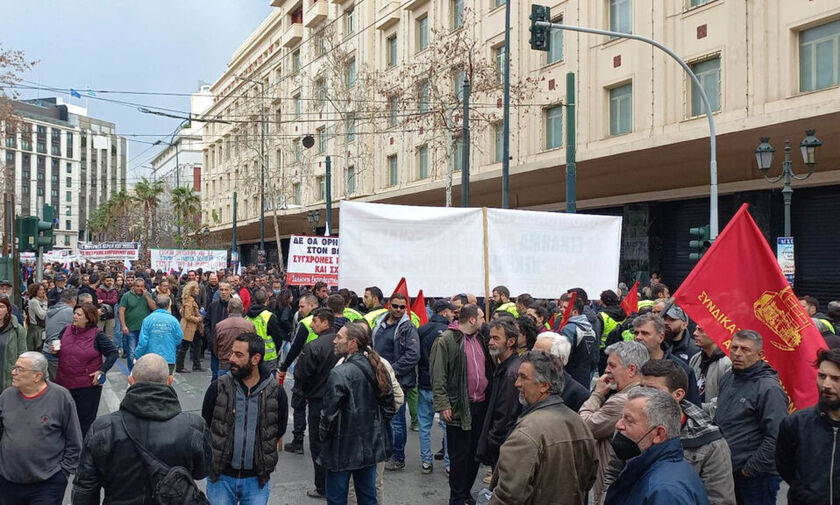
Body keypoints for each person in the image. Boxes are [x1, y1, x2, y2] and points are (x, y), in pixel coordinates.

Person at [72, 354, 212, 505]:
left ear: (131, 382)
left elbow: (85, 489)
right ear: (170, 381)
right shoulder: (193, 427)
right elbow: (201, 472)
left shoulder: (104, 428)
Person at [489, 351, 597, 505]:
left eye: (523, 377)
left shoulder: (526, 433)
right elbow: (589, 479)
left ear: (544, 386)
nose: (517, 383)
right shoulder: (580, 423)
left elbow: (508, 496)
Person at [202, 332, 287, 505]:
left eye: (239, 355)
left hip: (256, 480)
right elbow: (205, 425)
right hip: (221, 478)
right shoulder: (218, 388)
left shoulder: (276, 393)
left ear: (255, 359)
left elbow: (279, 429)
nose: (232, 358)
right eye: (233, 352)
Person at [637, 360, 735, 505]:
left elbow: (719, 500)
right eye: (641, 388)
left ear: (678, 394)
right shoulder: (629, 425)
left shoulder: (710, 442)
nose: (643, 396)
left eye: (652, 390)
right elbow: (614, 475)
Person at [318, 322, 393, 505]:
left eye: (339, 337)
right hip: (369, 445)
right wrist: (374, 426)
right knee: (368, 496)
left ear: (352, 343)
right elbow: (389, 406)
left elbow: (328, 416)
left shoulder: (340, 373)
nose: (334, 341)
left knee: (337, 499)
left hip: (341, 447)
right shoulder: (377, 366)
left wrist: (323, 437)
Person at [714, 329, 788, 505]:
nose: (738, 354)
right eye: (734, 348)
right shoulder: (729, 377)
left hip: (755, 477)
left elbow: (777, 436)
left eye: (745, 350)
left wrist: (751, 469)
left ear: (759, 355)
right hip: (728, 470)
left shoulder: (769, 389)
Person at [430, 303, 494, 505]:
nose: (485, 322)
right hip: (459, 407)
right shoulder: (446, 340)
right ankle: (456, 498)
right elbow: (438, 374)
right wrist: (443, 403)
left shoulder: (481, 339)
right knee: (459, 457)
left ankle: (465, 493)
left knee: (475, 454)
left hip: (480, 406)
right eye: (482, 317)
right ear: (473, 319)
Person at [0, 351, 82, 505]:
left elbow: (74, 439)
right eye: (14, 367)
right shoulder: (6, 396)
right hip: (8, 482)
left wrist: (63, 473)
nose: (13, 372)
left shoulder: (61, 397)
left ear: (37, 376)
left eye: (20, 369)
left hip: (47, 484)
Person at [604, 388, 709, 505]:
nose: (618, 425)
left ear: (659, 434)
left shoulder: (665, 492)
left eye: (629, 420)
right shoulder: (649, 468)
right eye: (621, 417)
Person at [579, 340, 649, 505]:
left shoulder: (623, 401)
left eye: (612, 365)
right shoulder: (638, 394)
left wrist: (597, 395)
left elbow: (583, 426)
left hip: (604, 482)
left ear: (631, 369)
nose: (606, 370)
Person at [776, 347, 840, 505]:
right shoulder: (795, 424)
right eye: (822, 376)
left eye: (835, 379)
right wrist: (805, 491)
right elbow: (786, 467)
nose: (826, 384)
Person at [371, 292, 420, 471]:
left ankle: (398, 457)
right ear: (389, 305)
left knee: (397, 421)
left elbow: (413, 355)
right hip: (379, 378)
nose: (399, 310)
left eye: (402, 307)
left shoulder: (407, 328)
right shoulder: (380, 322)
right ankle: (387, 451)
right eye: (396, 306)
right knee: (383, 418)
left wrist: (391, 371)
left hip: (397, 380)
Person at [54, 302, 119, 438]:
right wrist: (54, 351)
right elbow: (60, 349)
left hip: (87, 387)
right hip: (64, 383)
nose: (75, 316)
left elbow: (113, 353)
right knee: (63, 420)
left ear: (88, 318)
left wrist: (102, 370)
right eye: (75, 313)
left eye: (79, 314)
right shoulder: (65, 330)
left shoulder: (97, 335)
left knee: (84, 423)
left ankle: (84, 452)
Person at [294, 308, 339, 500]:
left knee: (318, 443)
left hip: (318, 401)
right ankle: (336, 483)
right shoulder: (341, 344)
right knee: (336, 441)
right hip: (338, 400)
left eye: (315, 321)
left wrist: (300, 392)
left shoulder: (313, 347)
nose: (311, 325)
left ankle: (322, 486)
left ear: (325, 323)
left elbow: (302, 374)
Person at [476, 318, 522, 470]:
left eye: (496, 338)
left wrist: (493, 440)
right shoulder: (505, 366)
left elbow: (504, 412)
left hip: (501, 443)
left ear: (510, 342)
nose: (490, 342)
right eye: (490, 338)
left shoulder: (511, 372)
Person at [279, 293, 320, 453]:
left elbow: (295, 348)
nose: (300, 309)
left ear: (312, 305)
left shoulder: (306, 323)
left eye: (302, 306)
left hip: (305, 369)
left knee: (299, 404)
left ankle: (298, 441)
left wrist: (284, 366)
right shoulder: (329, 319)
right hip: (323, 370)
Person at [417, 299, 455, 474]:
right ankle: (448, 464)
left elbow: (416, 356)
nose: (453, 314)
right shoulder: (450, 332)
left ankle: (426, 461)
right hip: (444, 386)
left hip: (425, 383)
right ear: (443, 311)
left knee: (425, 425)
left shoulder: (422, 330)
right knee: (448, 426)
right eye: (451, 311)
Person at [632, 312, 701, 405]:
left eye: (645, 333)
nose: (638, 337)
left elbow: (692, 407)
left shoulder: (682, 370)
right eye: (636, 333)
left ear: (660, 337)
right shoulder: (625, 363)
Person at [532, 331, 590, 411]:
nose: (533, 358)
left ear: (559, 360)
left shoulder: (578, 394)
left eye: (541, 355)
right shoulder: (528, 380)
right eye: (532, 353)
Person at [688, 323, 731, 415]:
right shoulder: (696, 358)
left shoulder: (727, 363)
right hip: (693, 416)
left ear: (715, 333)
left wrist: (698, 406)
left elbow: (725, 399)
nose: (695, 333)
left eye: (701, 330)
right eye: (696, 329)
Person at [135, 295, 183, 375]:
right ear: (168, 306)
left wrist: (137, 355)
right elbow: (179, 338)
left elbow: (143, 342)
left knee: (151, 383)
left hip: (151, 358)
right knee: (166, 383)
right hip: (168, 357)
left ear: (156, 304)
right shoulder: (173, 320)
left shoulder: (148, 320)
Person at [558, 294, 598, 387]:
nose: (561, 310)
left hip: (569, 378)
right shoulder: (590, 328)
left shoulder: (568, 329)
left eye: (565, 307)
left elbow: (562, 356)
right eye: (561, 307)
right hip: (585, 378)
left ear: (575, 312)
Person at [118, 278, 156, 371]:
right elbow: (121, 310)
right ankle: (132, 372)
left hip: (144, 329)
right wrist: (123, 326)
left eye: (142, 286)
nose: (140, 288)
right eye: (138, 286)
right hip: (131, 328)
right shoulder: (126, 296)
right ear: (133, 287)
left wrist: (147, 295)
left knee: (144, 351)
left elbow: (154, 307)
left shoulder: (148, 295)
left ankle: (143, 371)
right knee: (132, 352)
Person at [212, 297, 256, 376]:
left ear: (228, 309)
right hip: (243, 364)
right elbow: (253, 346)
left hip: (224, 364)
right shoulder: (250, 325)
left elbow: (215, 347)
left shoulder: (219, 326)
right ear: (242, 309)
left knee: (223, 387)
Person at [245, 288, 284, 369]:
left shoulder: (247, 316)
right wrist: (277, 351)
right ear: (267, 300)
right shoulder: (269, 316)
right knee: (268, 380)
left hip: (251, 354)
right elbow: (277, 337)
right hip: (268, 357)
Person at [43, 287, 77, 380]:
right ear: (74, 300)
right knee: (60, 386)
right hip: (57, 353)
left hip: (47, 350)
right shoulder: (69, 311)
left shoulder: (52, 309)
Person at [204, 281, 234, 379]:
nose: (223, 292)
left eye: (226, 290)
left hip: (230, 346)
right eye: (221, 290)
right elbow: (207, 322)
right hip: (215, 345)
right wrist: (210, 337)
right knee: (215, 373)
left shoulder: (236, 306)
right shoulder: (213, 306)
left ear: (230, 291)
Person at [0, 296, 27, 391]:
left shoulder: (17, 329)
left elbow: (22, 355)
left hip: (8, 379)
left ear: (8, 310)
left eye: (2, 307)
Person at [177, 280, 204, 373]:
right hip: (189, 326)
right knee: (184, 347)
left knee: (197, 344)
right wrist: (198, 319)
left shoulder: (190, 299)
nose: (198, 290)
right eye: (196, 288)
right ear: (192, 290)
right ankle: (180, 367)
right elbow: (188, 316)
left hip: (192, 327)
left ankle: (196, 365)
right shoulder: (189, 301)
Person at [26, 282, 48, 352]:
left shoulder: (40, 301)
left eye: (43, 289)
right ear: (35, 291)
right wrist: (45, 303)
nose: (43, 291)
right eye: (40, 290)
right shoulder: (34, 301)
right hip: (36, 330)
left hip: (41, 329)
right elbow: (42, 316)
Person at [96, 274, 119, 339]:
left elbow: (114, 301)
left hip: (111, 315)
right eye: (107, 281)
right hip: (101, 315)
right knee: (98, 333)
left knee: (109, 335)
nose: (109, 282)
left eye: (110, 280)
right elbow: (97, 301)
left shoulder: (114, 291)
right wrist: (108, 301)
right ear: (103, 281)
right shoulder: (98, 290)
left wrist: (103, 301)